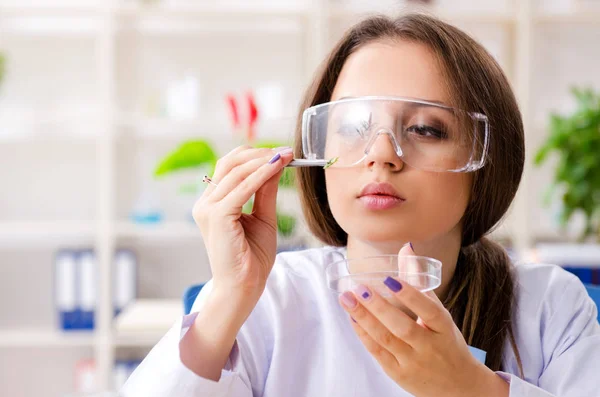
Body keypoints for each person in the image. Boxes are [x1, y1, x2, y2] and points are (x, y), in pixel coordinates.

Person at [121, 13, 600, 397]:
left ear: (486, 162)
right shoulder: (270, 298)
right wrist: (230, 295)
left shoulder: (548, 308)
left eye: (427, 129)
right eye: (352, 126)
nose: (381, 154)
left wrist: (471, 389)